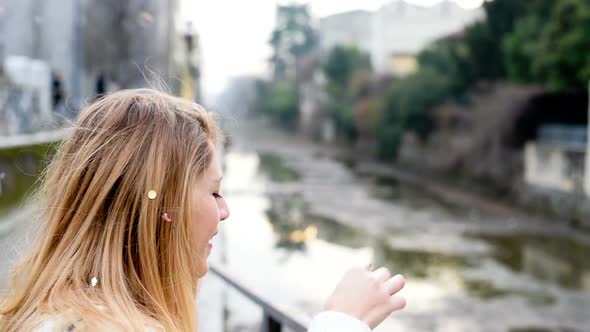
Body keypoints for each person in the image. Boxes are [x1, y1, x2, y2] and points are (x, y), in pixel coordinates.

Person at [0, 89, 406, 331]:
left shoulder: (58, 314)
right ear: (161, 202)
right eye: (214, 193)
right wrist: (340, 321)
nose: (225, 210)